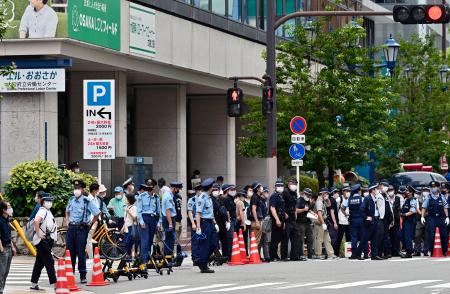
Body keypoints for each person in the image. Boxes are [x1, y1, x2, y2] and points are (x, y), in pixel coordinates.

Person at [65, 180, 100, 283]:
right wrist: (67, 221)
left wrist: (90, 223)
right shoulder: (71, 199)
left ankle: (83, 275)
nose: (76, 190)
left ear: (83, 189)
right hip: (71, 228)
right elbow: (67, 211)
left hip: (82, 228)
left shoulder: (87, 201)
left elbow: (97, 213)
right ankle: (70, 274)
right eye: (75, 188)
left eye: (78, 188)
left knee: (80, 252)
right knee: (70, 251)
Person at [30, 194, 57, 291]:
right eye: (47, 201)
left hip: (45, 241)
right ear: (43, 202)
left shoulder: (47, 211)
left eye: (50, 201)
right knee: (50, 262)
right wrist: (39, 233)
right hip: (43, 241)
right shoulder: (42, 210)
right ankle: (55, 285)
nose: (50, 202)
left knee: (39, 263)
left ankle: (33, 284)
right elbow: (37, 221)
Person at [195, 178, 219, 273]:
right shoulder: (202, 198)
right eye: (212, 187)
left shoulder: (209, 198)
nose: (213, 188)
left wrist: (215, 223)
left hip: (210, 222)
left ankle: (201, 260)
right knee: (205, 244)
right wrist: (198, 227)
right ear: (210, 188)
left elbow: (211, 212)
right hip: (204, 223)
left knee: (214, 243)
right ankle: (203, 265)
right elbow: (198, 213)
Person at [421, 181, 449, 256]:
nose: (433, 188)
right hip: (432, 218)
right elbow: (424, 207)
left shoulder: (442, 197)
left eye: (435, 187)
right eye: (432, 187)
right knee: (431, 234)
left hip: (441, 218)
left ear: (438, 187)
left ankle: (444, 250)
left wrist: (447, 217)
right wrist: (422, 216)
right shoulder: (428, 197)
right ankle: (431, 250)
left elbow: (445, 207)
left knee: (444, 234)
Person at [358, 183, 382, 260]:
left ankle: (374, 255)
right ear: (372, 190)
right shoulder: (367, 198)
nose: (377, 190)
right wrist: (366, 217)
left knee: (375, 238)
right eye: (376, 189)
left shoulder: (375, 198)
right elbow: (361, 209)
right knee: (364, 238)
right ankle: (358, 254)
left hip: (375, 220)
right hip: (369, 222)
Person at [86, 183, 110, 259]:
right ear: (94, 190)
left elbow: (98, 210)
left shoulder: (96, 198)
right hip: (91, 221)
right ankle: (90, 257)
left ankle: (96, 254)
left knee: (95, 238)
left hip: (97, 221)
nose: (98, 192)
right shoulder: (89, 199)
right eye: (97, 190)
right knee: (89, 240)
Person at [313, 188, 336, 259]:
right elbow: (319, 213)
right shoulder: (319, 201)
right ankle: (318, 254)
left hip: (323, 221)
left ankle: (331, 254)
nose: (327, 194)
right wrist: (323, 223)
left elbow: (329, 205)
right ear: (322, 193)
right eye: (326, 193)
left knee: (327, 238)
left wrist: (327, 199)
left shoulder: (322, 200)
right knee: (320, 239)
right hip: (320, 222)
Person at [161, 182, 182, 257]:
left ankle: (168, 256)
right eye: (178, 189)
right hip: (168, 219)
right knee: (170, 239)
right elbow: (168, 210)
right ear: (174, 188)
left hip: (168, 218)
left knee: (169, 238)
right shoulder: (168, 196)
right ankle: (168, 256)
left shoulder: (168, 195)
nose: (178, 190)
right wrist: (170, 223)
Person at [344, 184, 364, 259]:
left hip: (352, 220)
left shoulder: (349, 199)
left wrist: (346, 214)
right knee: (362, 237)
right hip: (361, 220)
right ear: (358, 191)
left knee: (353, 238)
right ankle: (360, 254)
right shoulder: (362, 199)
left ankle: (354, 254)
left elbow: (343, 207)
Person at [0, 200, 15, 294]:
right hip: (3, 249)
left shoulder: (7, 219)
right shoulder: (0, 220)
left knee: (6, 272)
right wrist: (1, 249)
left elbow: (8, 235)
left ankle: (2, 289)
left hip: (8, 248)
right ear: (3, 209)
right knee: (1, 272)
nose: (10, 209)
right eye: (8, 207)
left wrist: (12, 247)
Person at [269, 180, 286, 261]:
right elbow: (272, 208)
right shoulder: (274, 196)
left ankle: (276, 255)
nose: (280, 187)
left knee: (280, 238)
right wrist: (277, 219)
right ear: (275, 187)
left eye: (281, 186)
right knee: (275, 239)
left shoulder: (280, 196)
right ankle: (273, 256)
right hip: (277, 219)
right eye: (278, 186)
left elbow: (281, 207)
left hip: (282, 219)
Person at [219, 184, 237, 260]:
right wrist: (228, 221)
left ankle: (228, 255)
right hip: (229, 221)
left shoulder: (230, 198)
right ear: (226, 190)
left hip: (232, 220)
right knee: (229, 239)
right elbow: (226, 211)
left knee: (229, 239)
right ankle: (228, 256)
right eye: (230, 189)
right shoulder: (225, 199)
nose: (233, 191)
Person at [296, 188, 314, 260]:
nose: (309, 197)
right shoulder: (299, 200)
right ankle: (301, 254)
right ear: (304, 194)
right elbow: (296, 210)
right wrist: (303, 210)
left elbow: (308, 210)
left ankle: (310, 255)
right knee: (301, 239)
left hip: (307, 221)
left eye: (310, 195)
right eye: (308, 195)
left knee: (310, 238)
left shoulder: (308, 201)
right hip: (300, 222)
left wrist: (313, 213)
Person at [400, 186, 418, 258]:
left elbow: (413, 211)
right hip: (406, 220)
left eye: (408, 191)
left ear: (411, 193)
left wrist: (403, 214)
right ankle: (408, 250)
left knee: (408, 236)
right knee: (404, 236)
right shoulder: (406, 199)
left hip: (410, 220)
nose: (406, 192)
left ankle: (409, 252)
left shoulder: (413, 200)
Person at [334, 186, 351, 257]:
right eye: (346, 191)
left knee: (349, 238)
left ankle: (349, 253)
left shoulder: (350, 199)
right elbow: (335, 210)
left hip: (348, 222)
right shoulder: (339, 199)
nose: (348, 192)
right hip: (341, 222)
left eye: (349, 191)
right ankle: (336, 253)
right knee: (339, 238)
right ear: (343, 191)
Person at [388, 185, 403, 257]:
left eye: (391, 190)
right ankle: (389, 252)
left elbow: (401, 208)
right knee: (389, 236)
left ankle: (397, 251)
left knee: (397, 236)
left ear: (394, 190)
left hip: (396, 220)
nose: (390, 192)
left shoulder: (398, 198)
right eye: (389, 190)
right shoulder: (386, 198)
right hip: (389, 221)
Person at [414, 186, 429, 256]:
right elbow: (417, 208)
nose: (426, 192)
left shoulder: (431, 198)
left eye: (427, 190)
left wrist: (426, 214)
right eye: (424, 190)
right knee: (417, 235)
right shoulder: (418, 199)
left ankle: (425, 250)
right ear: (422, 191)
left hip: (428, 219)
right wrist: (422, 214)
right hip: (419, 219)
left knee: (427, 235)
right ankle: (417, 250)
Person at [123, 193, 139, 259]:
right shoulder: (126, 207)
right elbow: (126, 219)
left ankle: (131, 256)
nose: (125, 200)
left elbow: (135, 218)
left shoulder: (134, 207)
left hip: (132, 227)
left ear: (129, 200)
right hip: (126, 228)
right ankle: (128, 256)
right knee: (126, 243)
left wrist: (129, 211)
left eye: (126, 199)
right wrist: (123, 227)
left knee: (129, 242)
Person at [250, 181, 265, 253]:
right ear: (257, 188)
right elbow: (253, 210)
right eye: (260, 186)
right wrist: (256, 221)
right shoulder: (255, 197)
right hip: (256, 221)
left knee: (257, 239)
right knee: (255, 239)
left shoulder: (258, 197)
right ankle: (253, 256)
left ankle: (255, 255)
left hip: (259, 220)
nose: (261, 188)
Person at [187, 186, 200, 265]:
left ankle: (201, 257)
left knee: (202, 240)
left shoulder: (204, 199)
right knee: (195, 241)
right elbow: (190, 212)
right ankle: (195, 258)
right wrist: (193, 223)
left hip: (203, 221)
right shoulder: (192, 200)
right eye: (199, 190)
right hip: (195, 221)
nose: (200, 192)